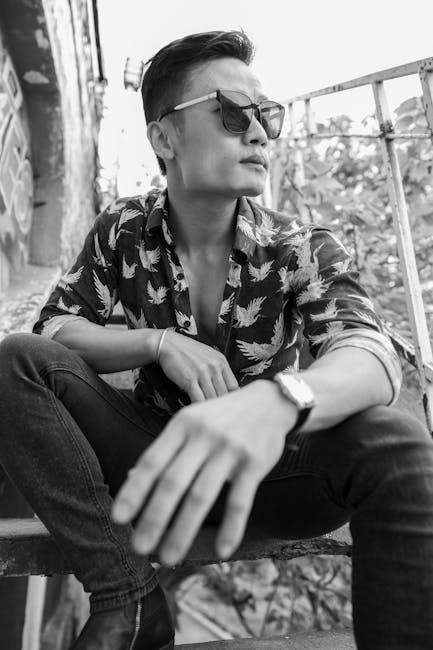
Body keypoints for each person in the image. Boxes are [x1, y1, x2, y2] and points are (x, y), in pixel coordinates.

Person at [0, 29, 432, 650]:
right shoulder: (124, 228)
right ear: (164, 138)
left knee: (397, 442)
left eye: (267, 116)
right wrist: (157, 343)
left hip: (272, 474)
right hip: (154, 457)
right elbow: (54, 326)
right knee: (17, 360)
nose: (258, 133)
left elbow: (371, 353)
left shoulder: (299, 246)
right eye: (232, 113)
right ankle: (127, 597)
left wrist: (280, 400)